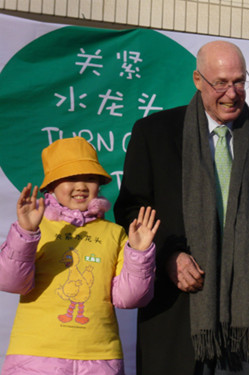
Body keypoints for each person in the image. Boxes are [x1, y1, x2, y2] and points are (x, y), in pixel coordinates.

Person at [114, 40, 249, 375]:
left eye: (238, 81)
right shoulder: (155, 133)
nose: (231, 94)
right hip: (176, 309)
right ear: (197, 79)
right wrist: (166, 256)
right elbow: (130, 210)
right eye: (220, 83)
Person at [0, 136, 160, 375]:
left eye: (90, 178)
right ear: (51, 186)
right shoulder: (36, 226)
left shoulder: (115, 233)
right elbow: (11, 282)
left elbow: (129, 299)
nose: (81, 186)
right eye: (71, 178)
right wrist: (25, 232)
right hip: (34, 358)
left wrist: (139, 252)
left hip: (101, 360)